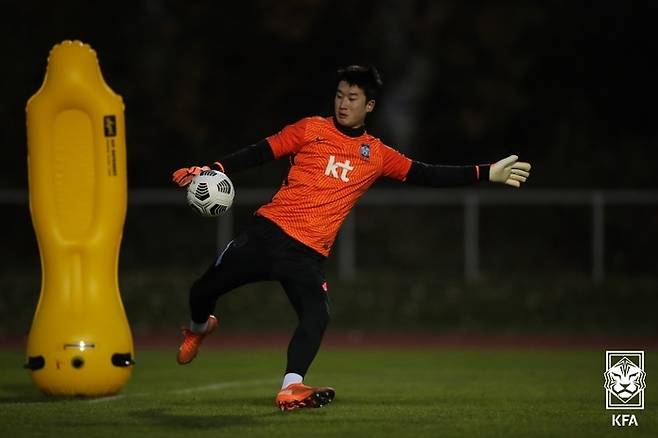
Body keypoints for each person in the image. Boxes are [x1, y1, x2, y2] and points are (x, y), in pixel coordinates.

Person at [172, 65, 531, 411]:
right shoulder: (309, 128)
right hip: (268, 234)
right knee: (202, 290)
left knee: (317, 315)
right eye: (340, 95)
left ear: (369, 106)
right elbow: (259, 152)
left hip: (307, 255)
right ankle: (199, 328)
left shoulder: (375, 154)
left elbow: (428, 173)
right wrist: (213, 169)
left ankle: (290, 388)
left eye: (353, 97)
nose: (343, 103)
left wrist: (486, 172)